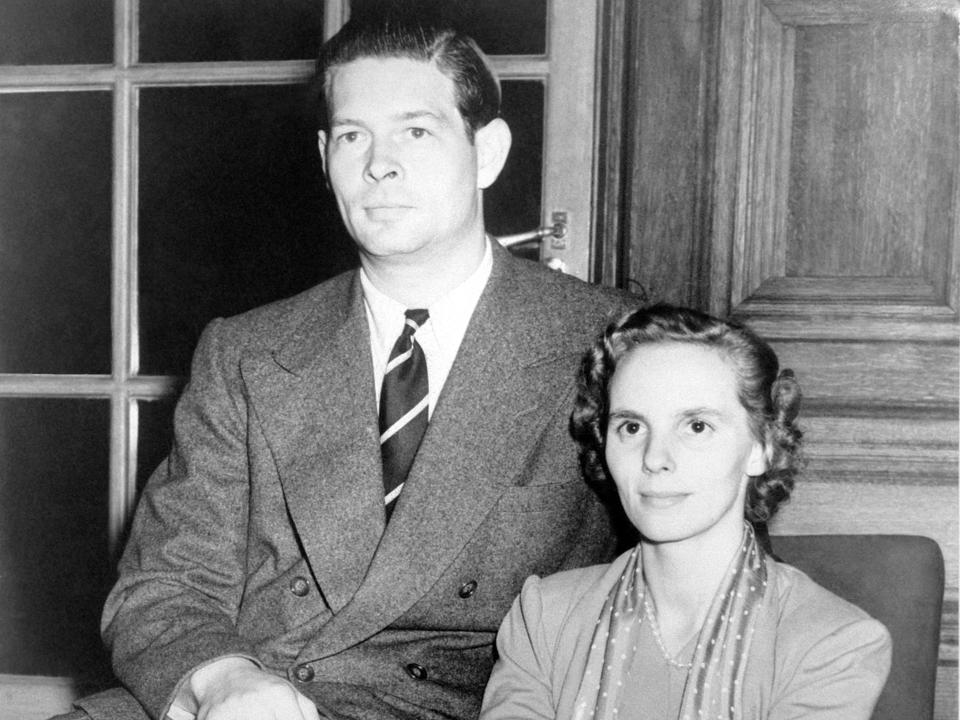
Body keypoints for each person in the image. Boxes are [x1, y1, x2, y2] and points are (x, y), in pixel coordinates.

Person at [61, 11, 634, 720]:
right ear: (325, 158)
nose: (379, 164)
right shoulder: (246, 351)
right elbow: (163, 586)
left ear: (487, 153)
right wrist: (224, 679)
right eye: (354, 136)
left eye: (416, 132)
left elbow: (684, 586)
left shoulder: (607, 342)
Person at [479, 304, 892, 720]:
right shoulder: (545, 618)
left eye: (696, 426)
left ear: (761, 447)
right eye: (632, 427)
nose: (655, 458)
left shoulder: (831, 643)